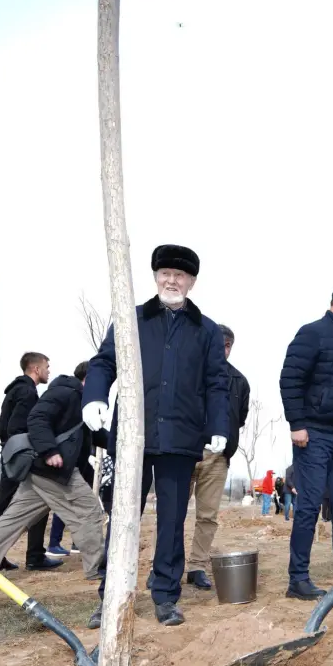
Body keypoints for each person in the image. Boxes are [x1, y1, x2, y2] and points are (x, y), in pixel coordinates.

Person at [83, 245, 229, 628]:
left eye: (180, 275)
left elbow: (217, 382)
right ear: (155, 277)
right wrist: (95, 396)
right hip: (132, 435)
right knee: (122, 519)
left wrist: (219, 426)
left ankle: (165, 595)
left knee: (172, 520)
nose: (172, 280)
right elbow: (103, 363)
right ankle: (110, 595)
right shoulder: (130, 320)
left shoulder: (207, 330)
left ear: (192, 282)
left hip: (180, 439)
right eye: (165, 273)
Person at [0, 363, 106, 582]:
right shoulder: (65, 392)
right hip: (53, 470)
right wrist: (49, 450)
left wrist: (126, 445)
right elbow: (37, 418)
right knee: (88, 511)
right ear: (90, 378)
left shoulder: (79, 400)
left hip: (41, 472)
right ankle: (97, 568)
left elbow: (94, 434)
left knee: (14, 518)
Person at [279, 283, 333, 603]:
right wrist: (297, 424)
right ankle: (298, 578)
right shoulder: (312, 333)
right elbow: (290, 377)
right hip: (313, 435)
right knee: (309, 506)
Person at [0, 351, 61, 579]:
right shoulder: (27, 392)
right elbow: (17, 427)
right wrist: (29, 450)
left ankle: (13, 556)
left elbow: (7, 427)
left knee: (14, 501)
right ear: (36, 369)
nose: (49, 371)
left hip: (13, 453)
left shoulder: (17, 389)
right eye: (47, 367)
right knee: (17, 502)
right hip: (21, 456)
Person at [186, 323, 250, 590]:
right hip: (185, 452)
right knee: (173, 513)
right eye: (217, 343)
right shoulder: (187, 373)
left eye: (227, 345)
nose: (222, 349)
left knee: (208, 515)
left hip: (218, 458)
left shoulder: (239, 381)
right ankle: (166, 566)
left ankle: (197, 566)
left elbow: (240, 417)